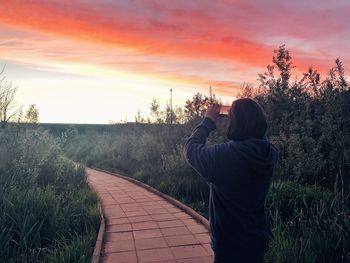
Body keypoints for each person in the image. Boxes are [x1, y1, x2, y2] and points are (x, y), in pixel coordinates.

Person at [184, 98, 278, 263]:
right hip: (256, 240)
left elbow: (191, 149)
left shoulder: (227, 156)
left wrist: (208, 121)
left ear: (236, 123)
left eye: (230, 118)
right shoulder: (270, 152)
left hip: (230, 244)